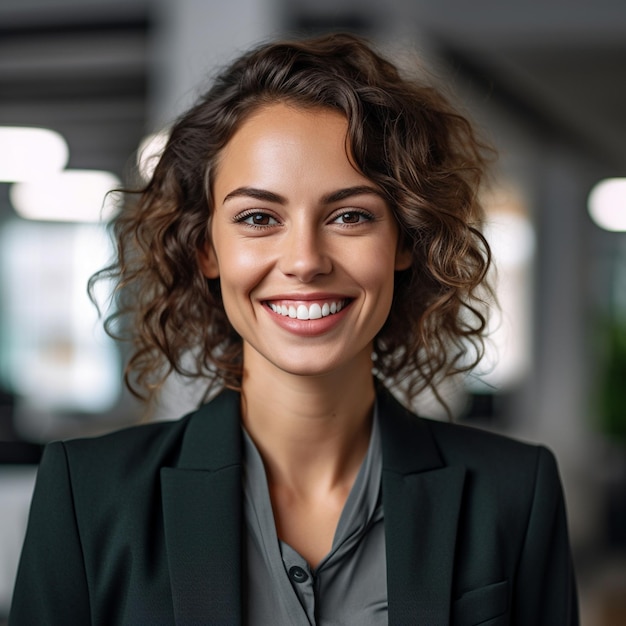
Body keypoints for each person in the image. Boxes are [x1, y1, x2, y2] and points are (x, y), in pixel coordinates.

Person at [9, 32, 578, 625]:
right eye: (258, 218)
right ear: (207, 249)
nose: (305, 260)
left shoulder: (515, 494)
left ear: (404, 240)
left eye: (351, 216)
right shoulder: (87, 496)